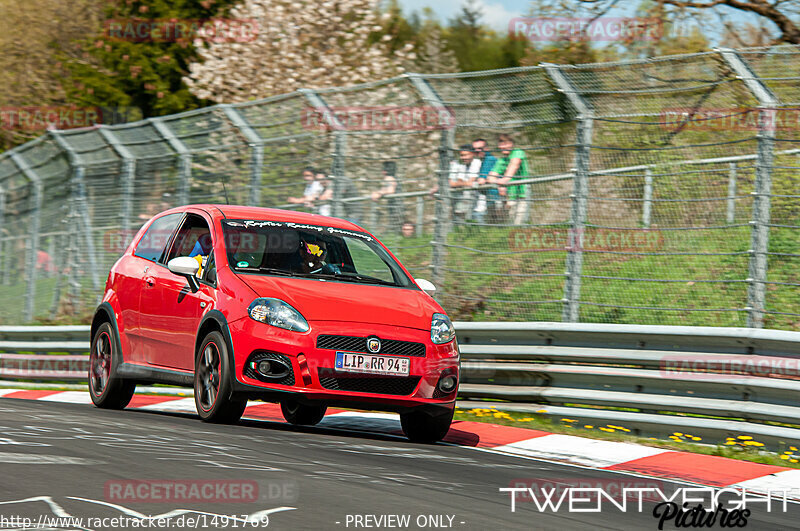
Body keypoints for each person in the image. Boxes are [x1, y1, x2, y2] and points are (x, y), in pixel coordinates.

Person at [487, 134, 530, 225]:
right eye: (501, 144)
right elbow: (490, 177)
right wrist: (499, 183)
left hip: (522, 193)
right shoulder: (501, 161)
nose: (504, 146)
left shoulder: (518, 152)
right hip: (510, 195)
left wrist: (503, 181)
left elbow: (514, 165)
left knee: (520, 220)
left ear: (512, 144)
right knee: (510, 221)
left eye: (506, 143)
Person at [473, 138, 499, 223]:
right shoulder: (484, 160)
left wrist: (472, 182)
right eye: (475, 149)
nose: (477, 151)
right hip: (490, 196)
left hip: (494, 196)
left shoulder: (489, 159)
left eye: (480, 148)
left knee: (495, 223)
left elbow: (481, 180)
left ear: (486, 148)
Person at [371, 161, 403, 229]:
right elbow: (384, 189)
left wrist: (379, 194)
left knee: (396, 223)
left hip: (396, 205)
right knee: (394, 223)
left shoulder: (389, 178)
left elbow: (390, 191)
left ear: (384, 171)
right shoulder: (393, 178)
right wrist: (377, 192)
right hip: (395, 205)